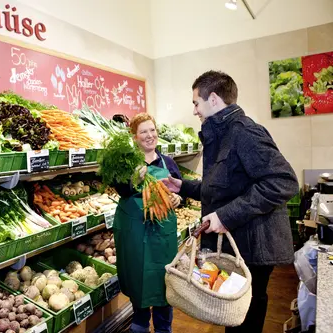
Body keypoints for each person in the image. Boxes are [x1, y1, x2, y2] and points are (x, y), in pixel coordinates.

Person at [163, 70, 299, 333]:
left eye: (195, 103)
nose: (194, 110)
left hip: (253, 246)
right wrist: (184, 186)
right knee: (233, 314)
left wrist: (226, 216)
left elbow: (283, 181)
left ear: (213, 99)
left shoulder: (245, 133)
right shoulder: (222, 134)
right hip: (243, 242)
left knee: (245, 315)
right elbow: (223, 187)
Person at [113, 112, 182, 333]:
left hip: (162, 235)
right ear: (135, 137)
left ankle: (164, 328)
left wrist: (178, 199)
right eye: (143, 132)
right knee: (138, 282)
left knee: (164, 285)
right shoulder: (127, 163)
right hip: (135, 233)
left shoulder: (168, 163)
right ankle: (139, 325)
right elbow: (121, 190)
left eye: (152, 130)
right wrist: (135, 179)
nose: (149, 135)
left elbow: (181, 191)